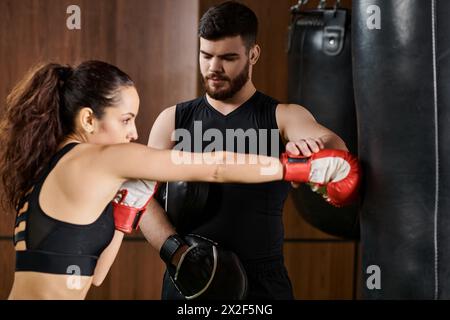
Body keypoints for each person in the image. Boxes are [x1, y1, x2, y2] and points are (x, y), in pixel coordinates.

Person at [0, 60, 355, 300]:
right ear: (89, 120)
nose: (134, 132)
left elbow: (96, 276)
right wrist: (297, 168)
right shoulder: (101, 157)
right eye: (125, 120)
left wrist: (127, 213)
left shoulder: (46, 169)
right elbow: (214, 166)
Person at [140, 1, 356, 300]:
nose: (214, 68)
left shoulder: (283, 117)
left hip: (262, 285)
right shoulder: (173, 120)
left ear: (253, 54)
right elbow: (141, 197)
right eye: (206, 56)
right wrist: (177, 253)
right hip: (188, 277)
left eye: (228, 58)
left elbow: (336, 147)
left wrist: (315, 149)